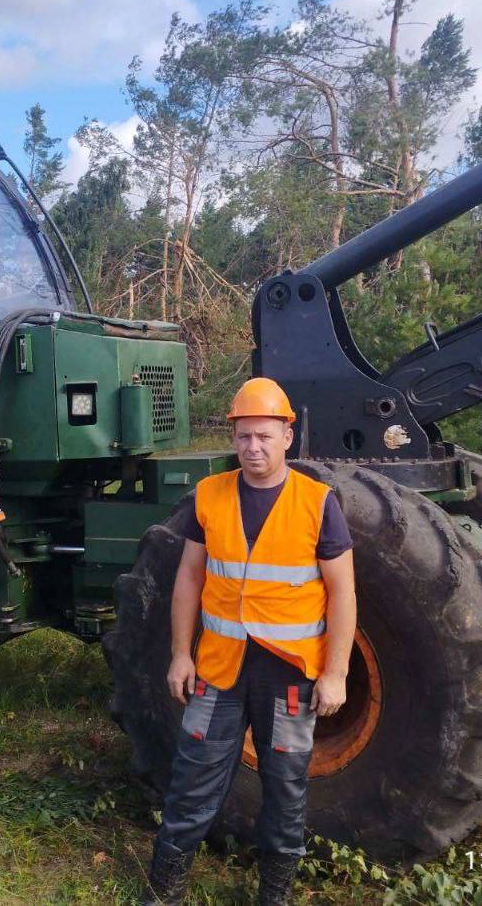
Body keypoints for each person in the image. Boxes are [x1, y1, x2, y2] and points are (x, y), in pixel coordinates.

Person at [142, 377, 357, 905]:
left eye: (264, 435)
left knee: (285, 789)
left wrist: (335, 672)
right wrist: (178, 654)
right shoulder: (209, 496)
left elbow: (343, 593)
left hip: (288, 675)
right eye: (243, 437)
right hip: (220, 670)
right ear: (233, 437)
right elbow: (189, 578)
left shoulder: (317, 503)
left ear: (288, 434)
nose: (253, 448)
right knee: (192, 783)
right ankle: (163, 891)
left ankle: (274, 896)